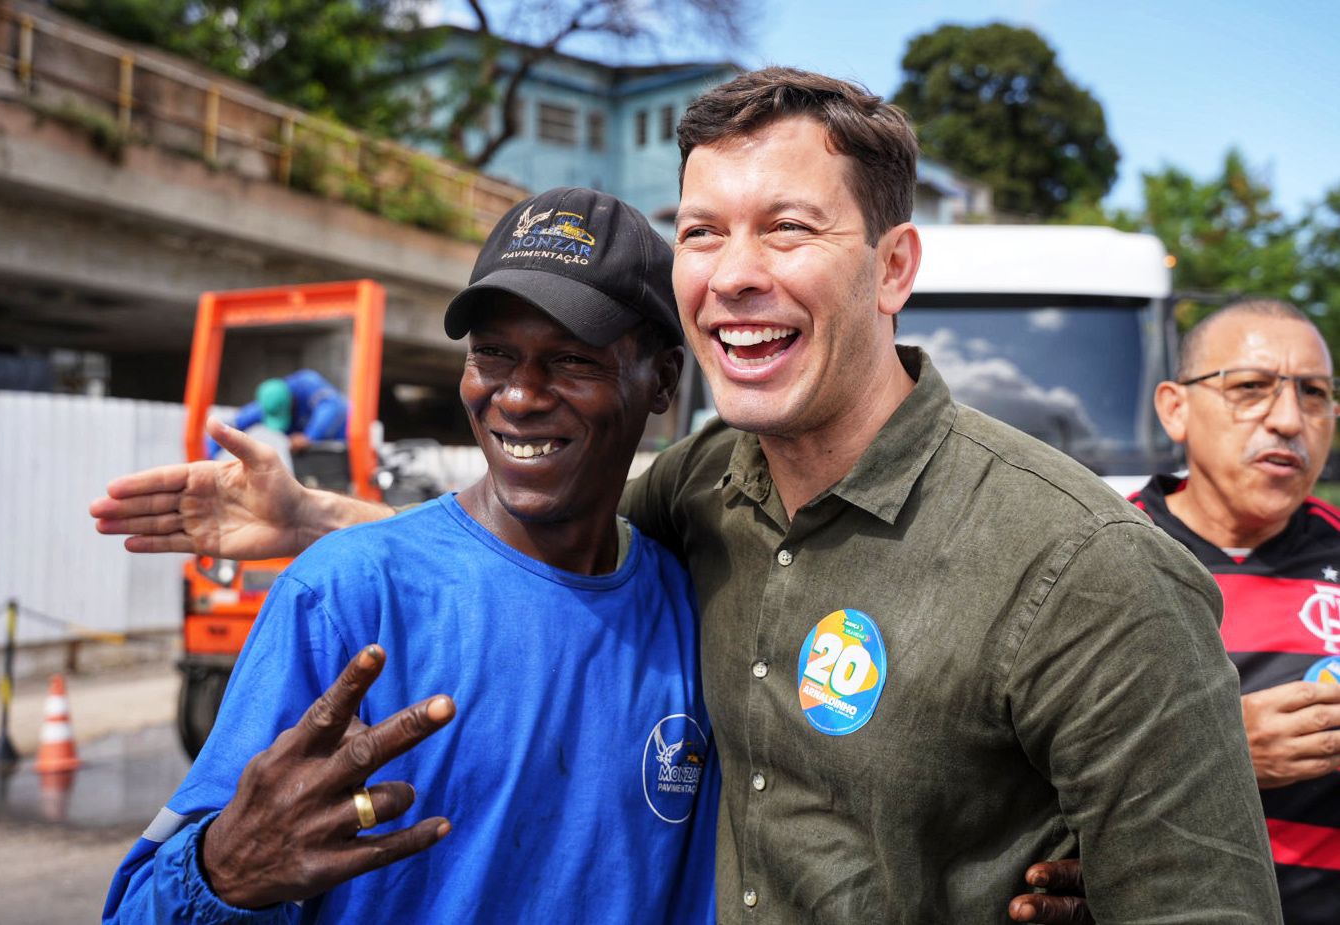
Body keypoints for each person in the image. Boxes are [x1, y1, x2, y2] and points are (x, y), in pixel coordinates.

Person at [93, 70, 1282, 923]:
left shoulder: (1086, 567)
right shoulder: (700, 497)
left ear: (896, 268)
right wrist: (317, 530)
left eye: (789, 227)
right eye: (703, 231)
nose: (735, 273)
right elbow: (532, 554)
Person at [101, 187, 719, 923]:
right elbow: (138, 909)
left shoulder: (692, 612)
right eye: (492, 353)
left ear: (663, 381)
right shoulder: (347, 597)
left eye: (571, 360)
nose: (518, 395)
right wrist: (223, 870)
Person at [1129, 299, 1340, 924]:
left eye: (1314, 394)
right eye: (1250, 388)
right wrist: (1219, 753)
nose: (1287, 419)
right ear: (1176, 408)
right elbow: (1010, 771)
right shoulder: (1098, 557)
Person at [205, 368, 349, 458]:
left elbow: (332, 407)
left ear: (292, 401)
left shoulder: (308, 383)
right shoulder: (268, 404)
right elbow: (227, 427)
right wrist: (207, 460)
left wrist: (309, 436)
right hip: (310, 457)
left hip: (343, 443)